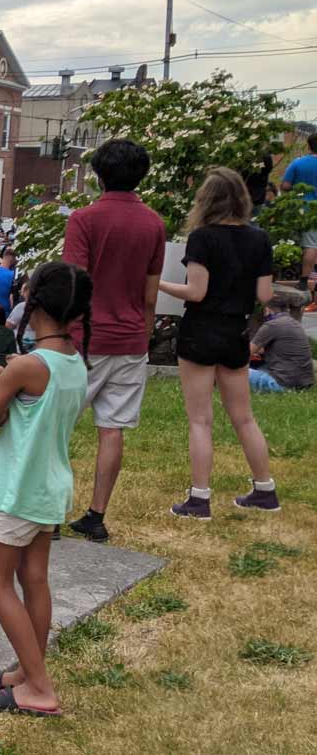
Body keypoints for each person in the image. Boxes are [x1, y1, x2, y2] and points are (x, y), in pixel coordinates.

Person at [0, 261, 92, 719]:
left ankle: (38, 685)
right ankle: (27, 669)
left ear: (31, 302)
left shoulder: (26, 365)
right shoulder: (74, 363)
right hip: (51, 487)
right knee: (33, 578)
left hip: (18, 489)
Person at [159, 168, 280, 517]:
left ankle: (199, 498)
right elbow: (264, 294)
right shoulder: (259, 239)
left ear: (206, 200)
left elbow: (196, 292)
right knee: (244, 417)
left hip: (201, 330)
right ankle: (264, 489)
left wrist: (160, 287)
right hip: (236, 332)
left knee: (200, 419)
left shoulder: (202, 238)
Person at [62, 139, 167, 543]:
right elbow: (151, 292)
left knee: (57, 426)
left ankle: (50, 512)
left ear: (98, 174)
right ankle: (96, 514)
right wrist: (144, 332)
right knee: (112, 428)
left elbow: (74, 284)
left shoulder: (84, 219)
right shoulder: (154, 224)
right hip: (131, 337)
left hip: (85, 338)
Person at [279, 133, 317, 304]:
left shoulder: (298, 163)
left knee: (307, 245)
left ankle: (303, 279)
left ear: (308, 145)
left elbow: (285, 186)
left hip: (301, 209)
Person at [249, 293, 314, 392]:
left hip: (283, 385)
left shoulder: (272, 325)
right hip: (304, 384)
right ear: (287, 309)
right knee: (258, 366)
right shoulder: (294, 323)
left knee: (232, 371)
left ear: (267, 309)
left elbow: (247, 352)